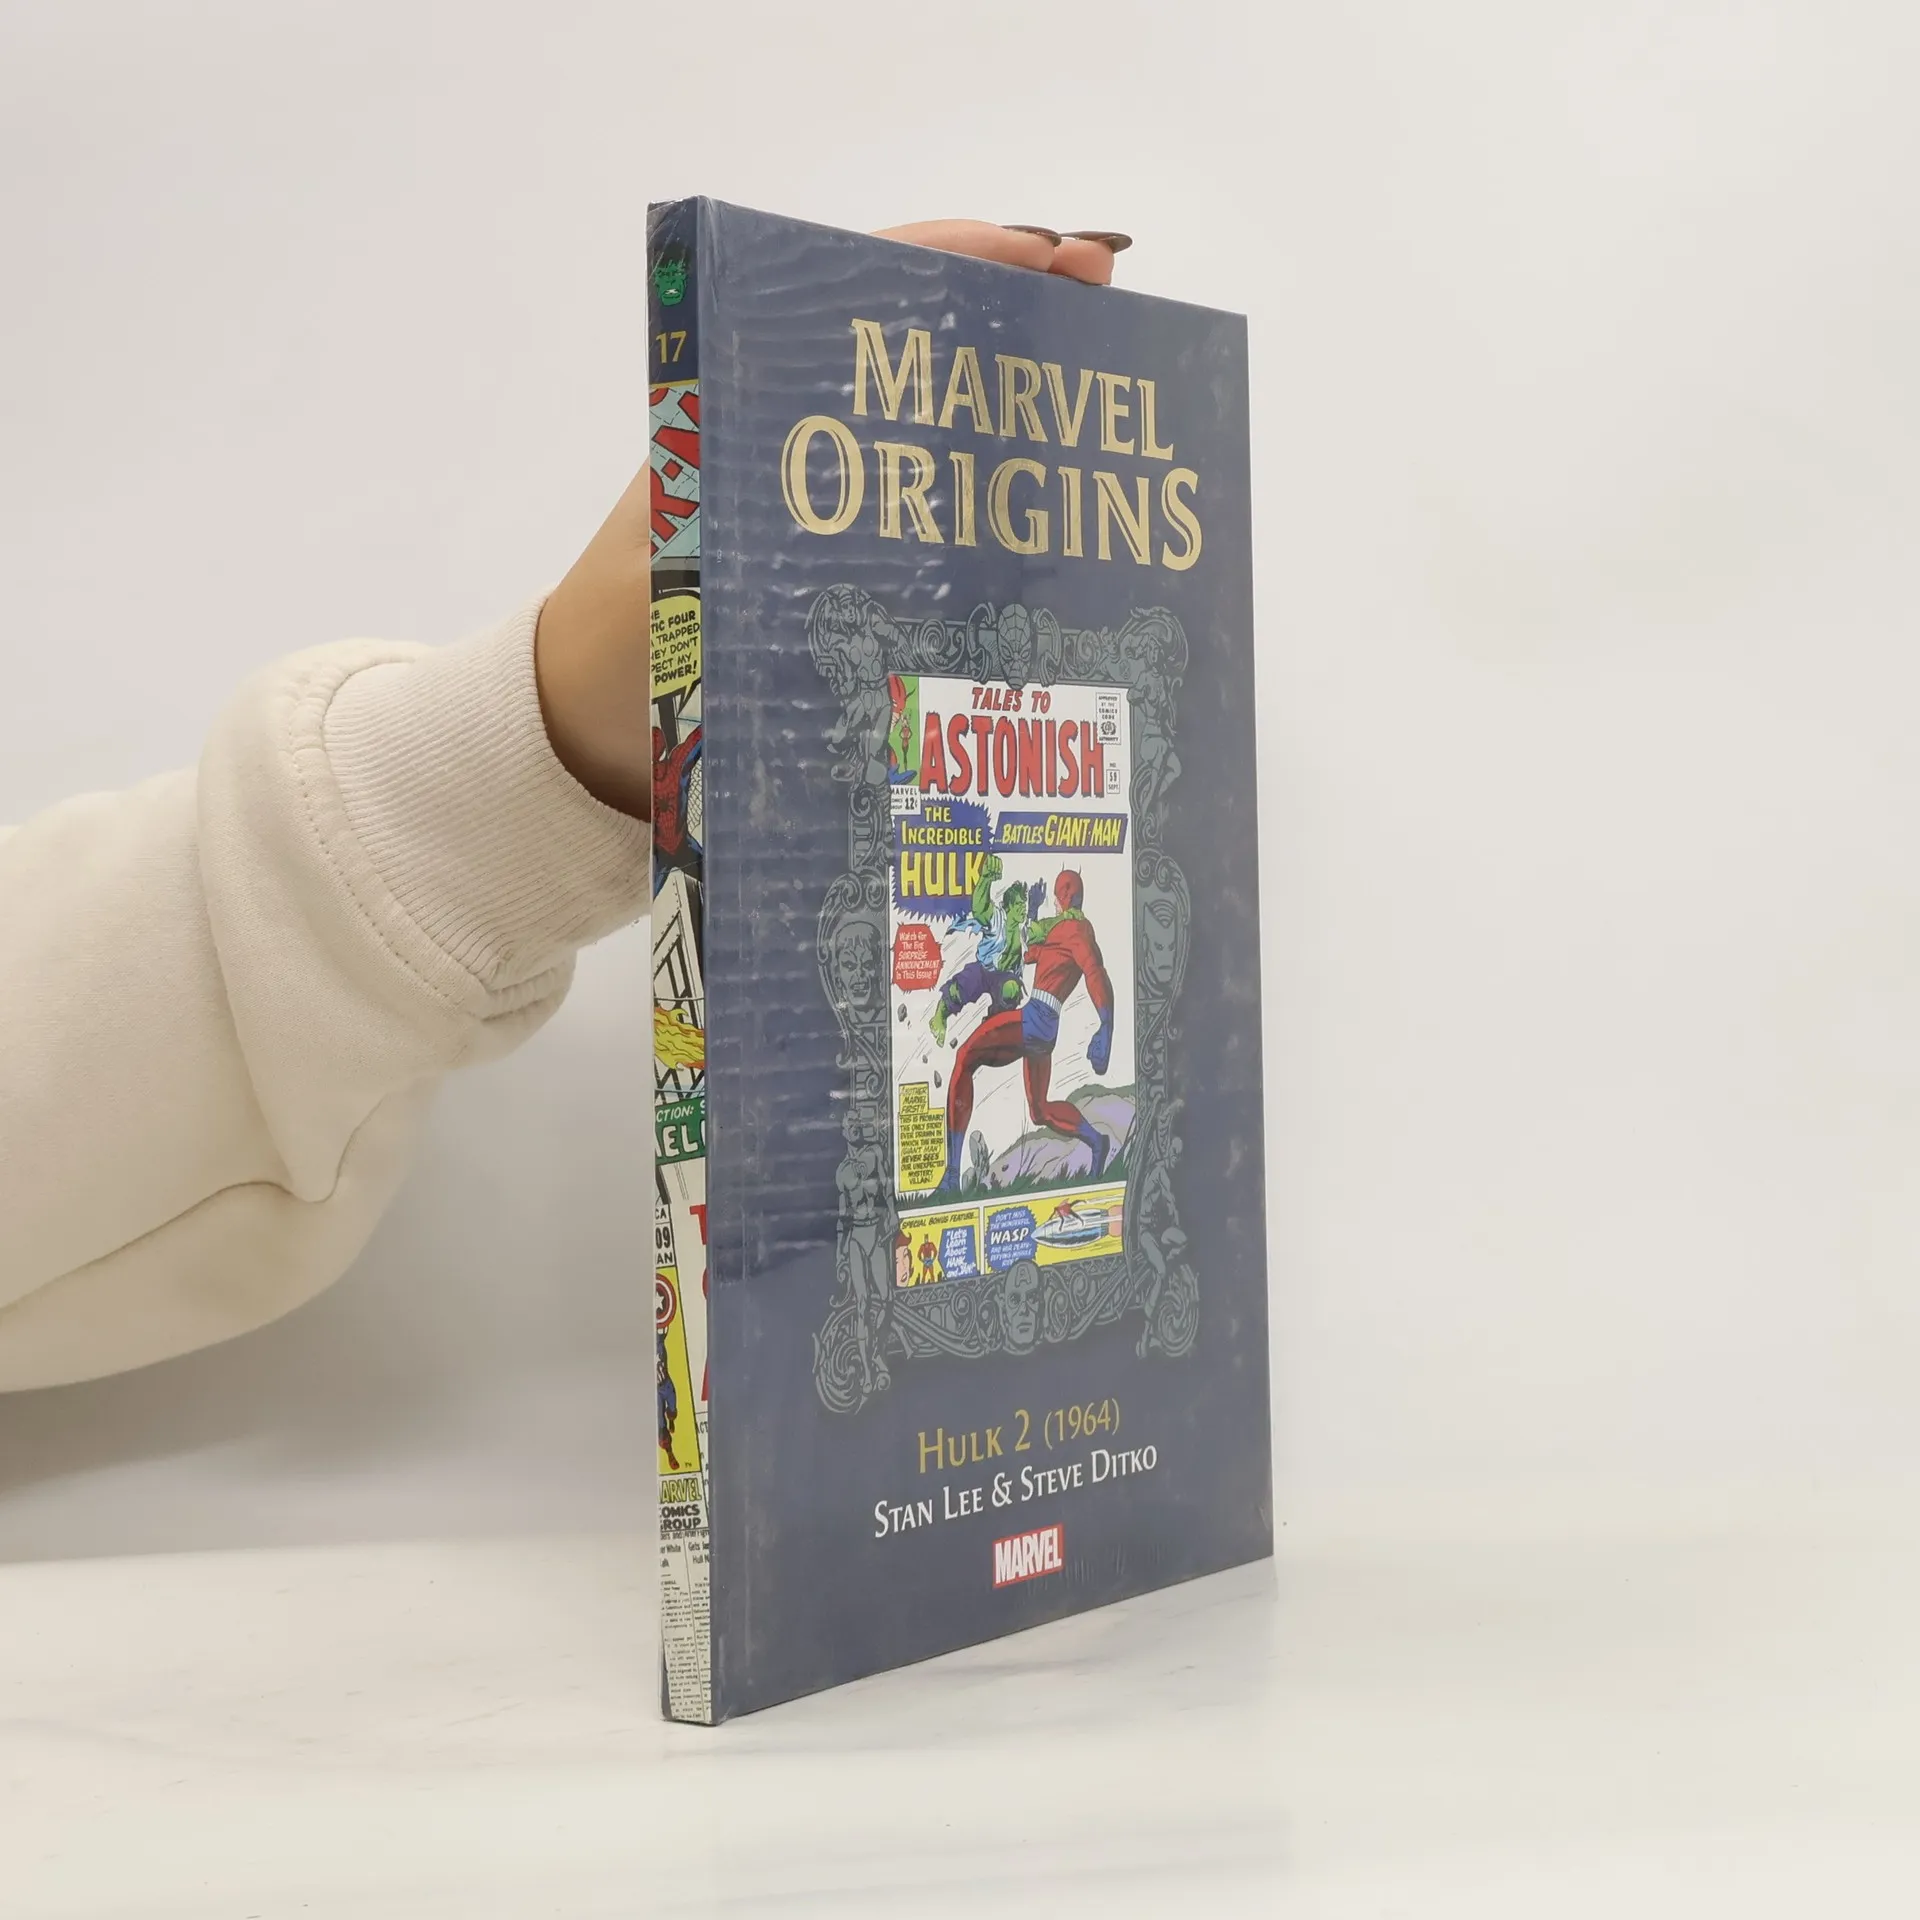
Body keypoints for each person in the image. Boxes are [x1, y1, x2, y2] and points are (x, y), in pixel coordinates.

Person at [0, 220, 1128, 1394]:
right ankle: (1010, 1161)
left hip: (1040, 1027)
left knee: (1023, 1094)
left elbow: (1088, 973)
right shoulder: (1039, 924)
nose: (1055, 883)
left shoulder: (1075, 930)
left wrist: (527, 754)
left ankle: (1062, 1145)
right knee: (976, 1083)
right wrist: (526, 758)